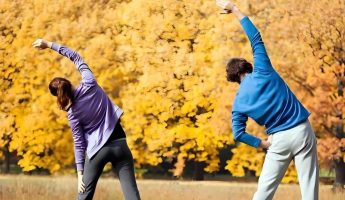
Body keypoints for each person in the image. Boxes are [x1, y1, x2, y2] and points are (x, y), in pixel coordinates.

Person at [215, 1, 319, 199]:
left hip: (277, 140)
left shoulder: (239, 103)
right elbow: (255, 38)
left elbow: (238, 134)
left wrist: (262, 144)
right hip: (302, 131)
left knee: (263, 193)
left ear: (233, 79)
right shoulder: (263, 69)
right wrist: (235, 9)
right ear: (248, 67)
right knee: (309, 189)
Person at [32, 39, 141, 200]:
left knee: (83, 196)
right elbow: (75, 57)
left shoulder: (73, 113)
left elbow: (79, 143)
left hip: (98, 151)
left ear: (57, 96)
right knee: (132, 195)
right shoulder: (90, 82)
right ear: (69, 83)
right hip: (120, 143)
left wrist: (79, 175)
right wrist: (48, 44)